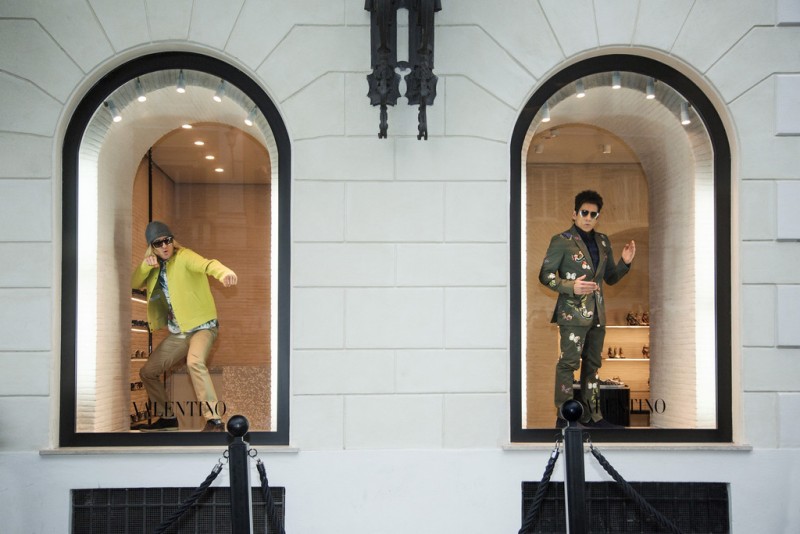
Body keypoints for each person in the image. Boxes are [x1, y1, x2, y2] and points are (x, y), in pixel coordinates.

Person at [538, 190, 635, 428]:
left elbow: (610, 278)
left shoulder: (603, 242)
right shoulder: (561, 240)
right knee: (568, 364)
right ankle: (565, 417)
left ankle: (593, 416)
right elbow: (545, 275)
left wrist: (625, 262)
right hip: (572, 314)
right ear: (574, 214)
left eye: (594, 214)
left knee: (593, 366)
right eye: (584, 212)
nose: (589, 217)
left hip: (598, 315)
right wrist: (572, 286)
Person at [131, 221, 238, 432]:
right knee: (148, 372)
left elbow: (208, 264)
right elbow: (135, 283)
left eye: (167, 240)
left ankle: (214, 420)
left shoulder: (184, 257)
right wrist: (146, 265)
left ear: (172, 241)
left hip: (202, 327)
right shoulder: (154, 267)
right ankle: (167, 418)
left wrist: (224, 273)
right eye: (158, 243)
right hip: (180, 332)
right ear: (152, 246)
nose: (164, 246)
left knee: (194, 362)